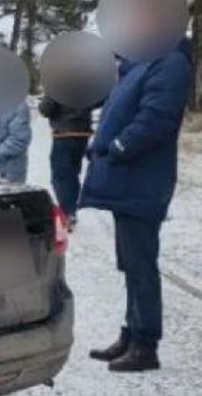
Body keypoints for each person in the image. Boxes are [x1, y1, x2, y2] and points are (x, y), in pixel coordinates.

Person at [81, 37, 193, 373]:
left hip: (141, 182)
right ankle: (131, 334)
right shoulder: (142, 61)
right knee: (131, 264)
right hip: (128, 181)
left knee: (141, 266)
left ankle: (146, 345)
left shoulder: (169, 60)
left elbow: (156, 119)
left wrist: (117, 147)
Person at [38, 95, 94, 228]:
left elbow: (46, 108)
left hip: (63, 133)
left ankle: (67, 212)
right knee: (73, 173)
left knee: (60, 175)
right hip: (83, 133)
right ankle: (71, 208)